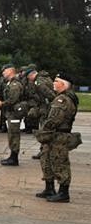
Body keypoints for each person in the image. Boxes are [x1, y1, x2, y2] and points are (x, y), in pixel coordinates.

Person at [35, 72, 80, 203]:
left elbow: (55, 119)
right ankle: (49, 188)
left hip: (59, 135)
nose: (53, 83)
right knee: (46, 159)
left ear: (63, 84)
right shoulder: (60, 97)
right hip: (54, 135)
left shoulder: (63, 100)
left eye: (56, 81)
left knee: (60, 162)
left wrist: (43, 130)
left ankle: (63, 192)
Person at [0, 64, 26, 166]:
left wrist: (1, 103)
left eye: (4, 71)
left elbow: (12, 100)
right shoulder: (10, 83)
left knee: (14, 135)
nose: (3, 73)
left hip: (14, 114)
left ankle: (14, 158)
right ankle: (12, 156)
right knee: (11, 134)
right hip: (11, 113)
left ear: (10, 71)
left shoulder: (15, 84)